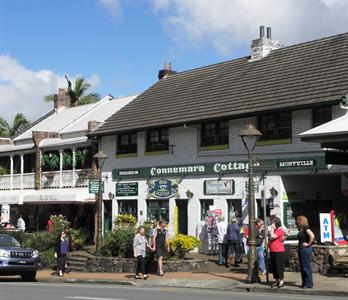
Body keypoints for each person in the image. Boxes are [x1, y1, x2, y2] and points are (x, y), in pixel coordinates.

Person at [296, 215, 315, 289]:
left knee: (306, 267)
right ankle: (304, 282)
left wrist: (308, 243)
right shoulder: (301, 229)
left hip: (305, 249)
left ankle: (309, 283)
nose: (296, 222)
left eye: (298, 220)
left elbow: (312, 236)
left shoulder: (306, 228)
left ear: (301, 221)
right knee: (302, 267)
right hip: (301, 249)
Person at [269, 217, 285, 288]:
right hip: (273, 250)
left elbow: (272, 236)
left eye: (273, 223)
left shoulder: (279, 230)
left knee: (278, 266)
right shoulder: (275, 230)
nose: (272, 224)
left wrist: (272, 229)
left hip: (278, 251)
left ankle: (281, 281)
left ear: (276, 223)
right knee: (274, 266)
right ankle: (277, 280)